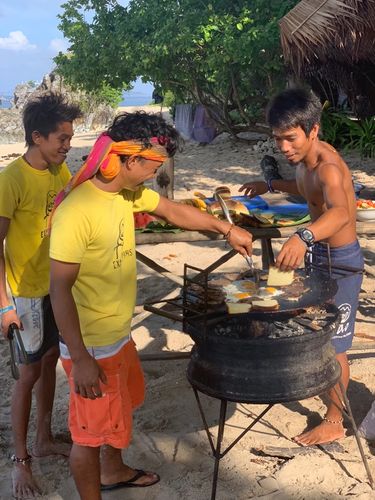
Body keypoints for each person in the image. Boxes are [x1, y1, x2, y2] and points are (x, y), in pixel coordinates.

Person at [49, 111, 253, 500]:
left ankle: (114, 470)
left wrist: (227, 228)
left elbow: (173, 211)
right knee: (87, 437)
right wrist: (81, 357)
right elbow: (59, 290)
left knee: (118, 411)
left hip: (116, 334)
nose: (156, 172)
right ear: (128, 158)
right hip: (91, 345)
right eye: (154, 164)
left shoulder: (125, 194)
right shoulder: (78, 211)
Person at [239, 88, 364, 446]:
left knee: (335, 346)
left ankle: (336, 420)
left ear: (313, 130)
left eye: (290, 138)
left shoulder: (329, 167)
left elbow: (340, 212)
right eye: (277, 139)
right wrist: (269, 184)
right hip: (318, 259)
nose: (283, 147)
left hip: (340, 264)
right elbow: (303, 189)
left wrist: (303, 236)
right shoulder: (304, 163)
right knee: (297, 320)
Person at [0, 91, 82, 498]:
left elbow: (68, 206)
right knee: (28, 374)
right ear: (37, 136)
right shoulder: (11, 179)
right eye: (62, 139)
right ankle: (20, 460)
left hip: (55, 286)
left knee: (50, 361)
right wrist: (3, 306)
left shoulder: (58, 170)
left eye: (69, 138)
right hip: (25, 293)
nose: (67, 146)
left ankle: (44, 438)